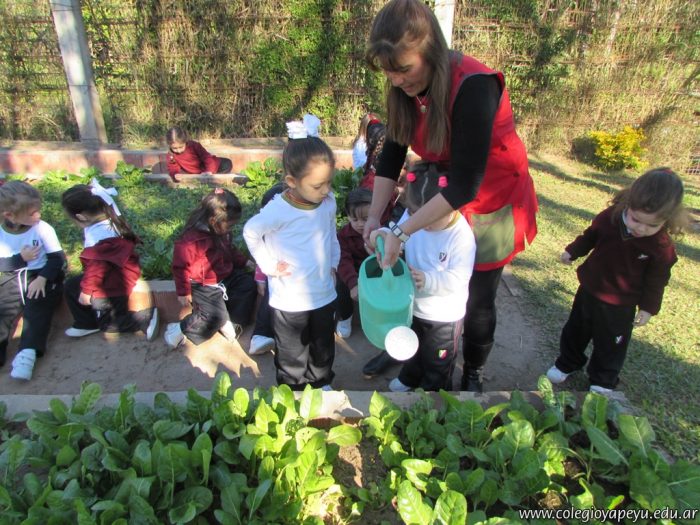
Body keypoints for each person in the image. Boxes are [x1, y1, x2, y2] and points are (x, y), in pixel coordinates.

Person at [361, 0, 538, 391]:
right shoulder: (403, 87)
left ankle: (472, 368)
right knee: (416, 275)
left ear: (430, 51)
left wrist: (401, 231)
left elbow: (465, 184)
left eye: (403, 69)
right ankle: (406, 347)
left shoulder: (475, 86)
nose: (396, 80)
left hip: (490, 195)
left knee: (476, 296)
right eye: (388, 72)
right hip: (438, 193)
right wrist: (375, 217)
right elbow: (392, 154)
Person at [546, 168, 685, 394]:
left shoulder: (661, 247)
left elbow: (657, 280)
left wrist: (648, 308)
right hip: (589, 289)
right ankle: (567, 363)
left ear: (666, 220)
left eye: (652, 225)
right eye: (636, 219)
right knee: (576, 330)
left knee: (611, 343)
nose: (641, 228)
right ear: (628, 203)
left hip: (622, 304)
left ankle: (602, 379)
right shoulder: (609, 218)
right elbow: (590, 236)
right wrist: (573, 251)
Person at [243, 115, 340, 390]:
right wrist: (269, 266)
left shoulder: (328, 202)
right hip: (290, 299)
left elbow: (331, 235)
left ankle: (321, 382)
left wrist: (333, 263)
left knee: (323, 344)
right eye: (318, 186)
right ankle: (293, 390)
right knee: (291, 352)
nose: (326, 190)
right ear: (291, 181)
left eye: (329, 182)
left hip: (323, 292)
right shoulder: (278, 209)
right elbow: (251, 232)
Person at [370, 162, 475, 391]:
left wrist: (429, 280)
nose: (420, 224)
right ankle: (410, 377)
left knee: (438, 360)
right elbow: (398, 233)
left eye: (428, 218)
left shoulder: (461, 237)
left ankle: (433, 392)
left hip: (444, 316)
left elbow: (459, 277)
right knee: (412, 345)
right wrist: (383, 234)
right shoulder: (412, 217)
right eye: (414, 215)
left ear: (451, 208)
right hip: (414, 305)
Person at [61, 180, 159, 342]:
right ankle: (86, 323)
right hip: (115, 273)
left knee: (109, 324)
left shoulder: (99, 237)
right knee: (71, 286)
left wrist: (87, 291)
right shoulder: (109, 220)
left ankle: (145, 318)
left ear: (81, 217)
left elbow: (97, 268)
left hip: (113, 284)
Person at [164, 188, 257, 348]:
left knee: (248, 284)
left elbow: (230, 249)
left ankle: (232, 321)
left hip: (225, 275)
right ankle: (180, 329)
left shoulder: (221, 231)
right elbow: (180, 267)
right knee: (212, 316)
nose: (231, 229)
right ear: (214, 221)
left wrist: (244, 262)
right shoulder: (191, 241)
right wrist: (183, 291)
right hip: (203, 284)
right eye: (229, 225)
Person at [0, 181, 65, 381]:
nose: (38, 215)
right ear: (9, 215)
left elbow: (57, 259)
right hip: (14, 277)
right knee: (3, 311)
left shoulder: (43, 229)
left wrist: (43, 279)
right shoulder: (2, 232)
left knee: (36, 310)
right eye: (31, 213)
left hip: (42, 275)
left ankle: (27, 353)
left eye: (38, 210)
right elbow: (2, 264)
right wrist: (21, 259)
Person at [248, 181, 286, 356]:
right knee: (270, 297)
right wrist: (261, 280)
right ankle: (261, 334)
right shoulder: (264, 234)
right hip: (276, 277)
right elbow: (260, 258)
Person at [336, 187, 373, 338]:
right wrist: (353, 283)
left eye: (365, 219)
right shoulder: (343, 235)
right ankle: (345, 316)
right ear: (348, 216)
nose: (360, 224)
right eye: (355, 219)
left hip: (374, 269)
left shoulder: (381, 230)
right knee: (340, 285)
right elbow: (344, 261)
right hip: (353, 271)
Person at [165, 126, 233, 182]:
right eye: (175, 148)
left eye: (181, 147)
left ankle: (213, 179)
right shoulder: (171, 155)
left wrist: (209, 171)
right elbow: (172, 167)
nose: (178, 151)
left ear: (185, 141)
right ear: (169, 145)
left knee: (227, 163)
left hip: (211, 167)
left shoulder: (194, 146)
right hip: (198, 173)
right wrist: (175, 175)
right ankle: (209, 180)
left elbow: (207, 158)